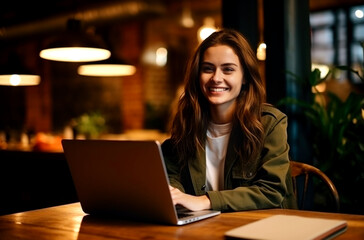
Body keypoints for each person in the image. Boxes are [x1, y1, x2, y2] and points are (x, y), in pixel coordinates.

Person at [161, 28, 297, 212]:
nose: (216, 78)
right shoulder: (189, 122)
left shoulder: (270, 123)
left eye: (228, 69)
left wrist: (205, 201)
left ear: (245, 78)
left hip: (263, 227)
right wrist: (172, 195)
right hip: (205, 228)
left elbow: (271, 191)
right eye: (208, 69)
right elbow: (173, 180)